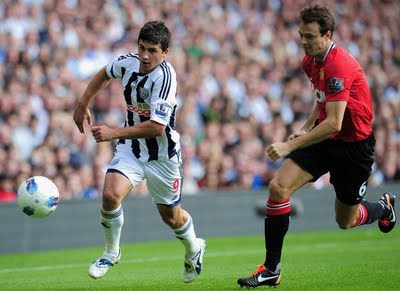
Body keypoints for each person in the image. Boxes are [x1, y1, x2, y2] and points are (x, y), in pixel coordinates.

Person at [237, 4, 396, 288]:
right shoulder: (310, 62)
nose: (304, 42)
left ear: (327, 35)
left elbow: (335, 122)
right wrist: (307, 126)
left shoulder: (340, 64)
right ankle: (272, 269)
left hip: (354, 147)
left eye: (310, 36)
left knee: (345, 220)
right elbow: (323, 101)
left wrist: (288, 147)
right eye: (301, 35)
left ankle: (384, 209)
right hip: (325, 139)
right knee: (278, 188)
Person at [73, 21, 206, 283]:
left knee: (171, 217)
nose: (145, 56)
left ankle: (194, 248)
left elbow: (157, 128)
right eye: (142, 48)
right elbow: (104, 73)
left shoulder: (166, 78)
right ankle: (112, 252)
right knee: (110, 195)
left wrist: (113, 133)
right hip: (131, 149)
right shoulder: (128, 62)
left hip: (163, 157)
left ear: (165, 52)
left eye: (153, 50)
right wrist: (82, 103)